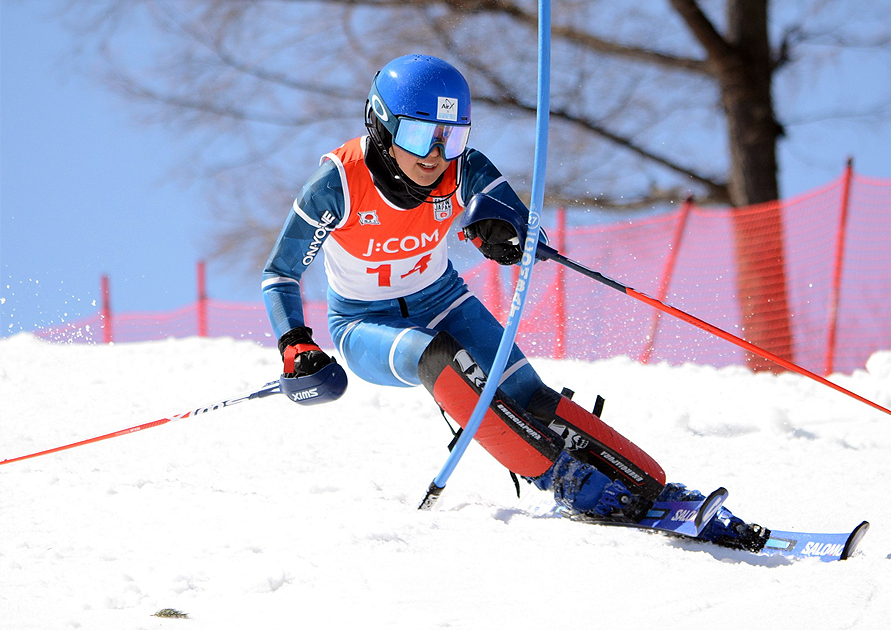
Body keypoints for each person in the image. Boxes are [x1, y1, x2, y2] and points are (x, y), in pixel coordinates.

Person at [262, 54, 767, 551]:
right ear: (380, 124)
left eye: (451, 137)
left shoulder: (463, 170)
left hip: (443, 299)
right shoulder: (337, 184)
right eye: (419, 134)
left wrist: (503, 233)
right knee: (436, 357)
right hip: (363, 324)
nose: (435, 155)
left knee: (530, 395)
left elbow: (521, 226)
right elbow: (280, 273)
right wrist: (294, 343)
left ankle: (655, 490)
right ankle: (562, 479)